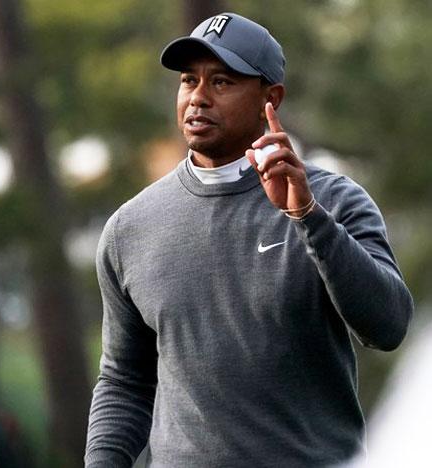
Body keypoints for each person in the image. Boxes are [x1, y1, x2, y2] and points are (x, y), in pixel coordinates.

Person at [84, 12, 414, 468]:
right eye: (188, 80)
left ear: (269, 99)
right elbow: (125, 381)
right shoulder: (129, 228)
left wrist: (307, 216)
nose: (198, 98)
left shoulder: (335, 201)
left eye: (221, 82)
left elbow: (389, 325)